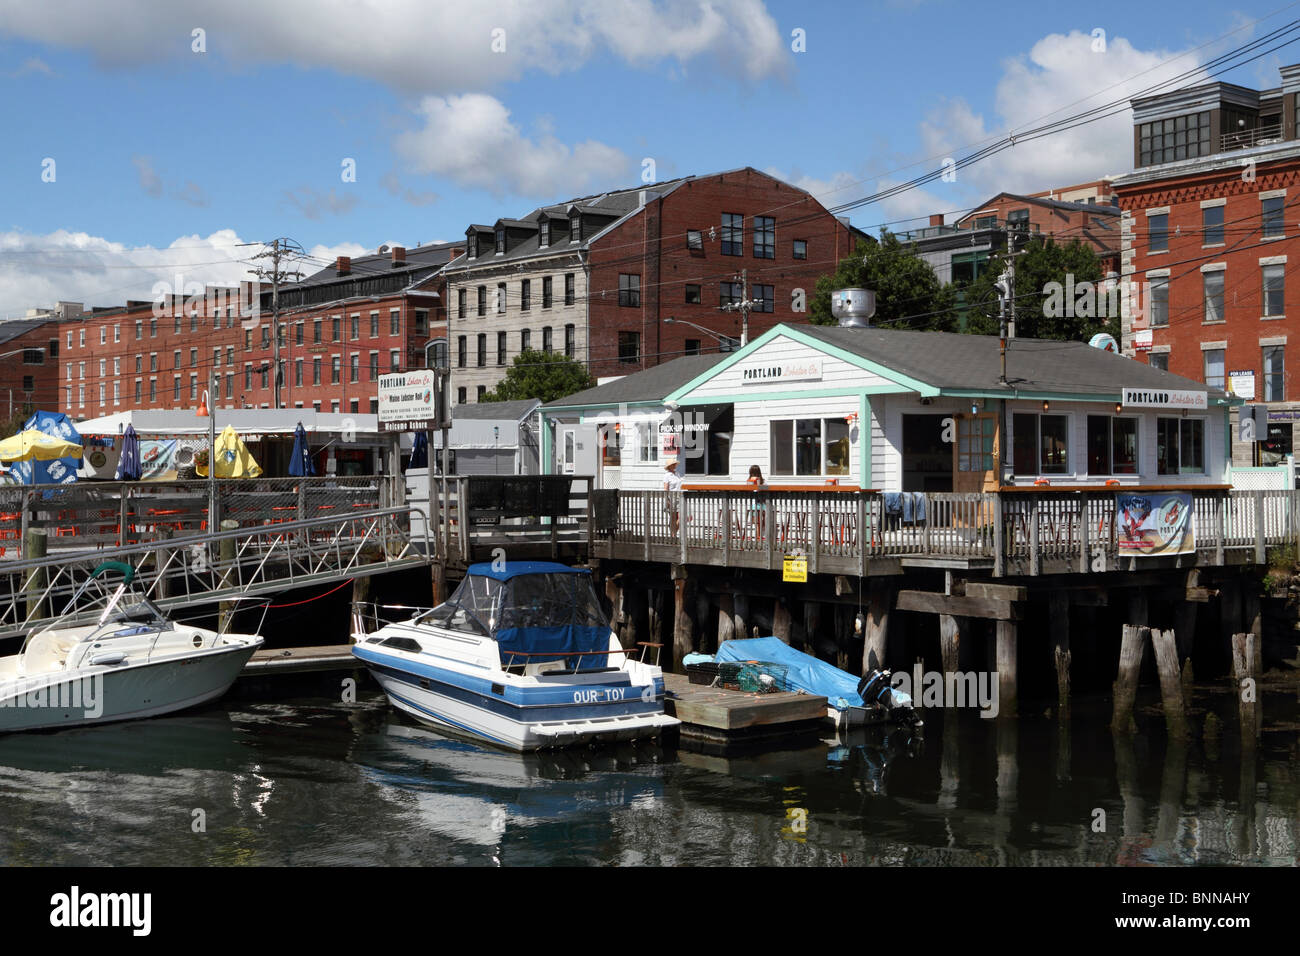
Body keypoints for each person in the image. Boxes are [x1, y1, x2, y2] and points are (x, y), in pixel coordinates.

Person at [663, 458, 683, 535]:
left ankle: (673, 533)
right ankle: (673, 536)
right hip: (672, 498)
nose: (674, 466)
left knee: (683, 517)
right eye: (672, 464)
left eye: (674, 464)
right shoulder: (667, 475)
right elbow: (666, 489)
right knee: (673, 518)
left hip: (679, 497)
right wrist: (667, 500)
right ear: (669, 466)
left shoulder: (677, 473)